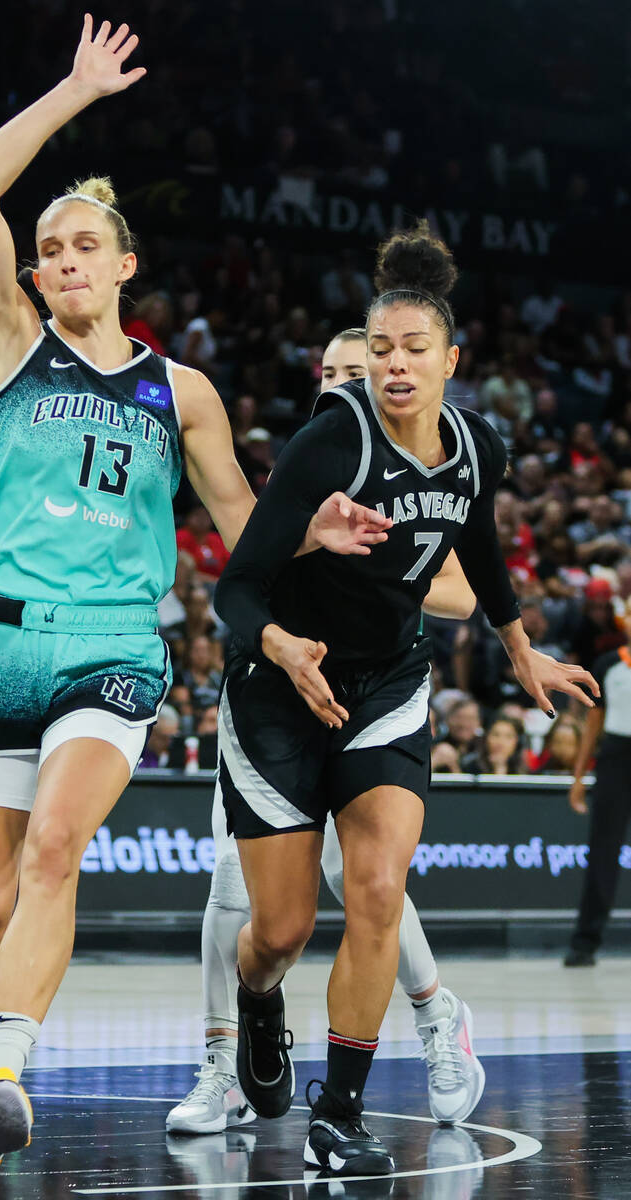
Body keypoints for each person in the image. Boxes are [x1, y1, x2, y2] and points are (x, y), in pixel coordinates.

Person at [0, 15, 389, 1177]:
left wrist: (304, 548)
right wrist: (78, 93)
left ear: (126, 265)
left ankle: (11, 1079)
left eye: (86, 244)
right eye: (51, 248)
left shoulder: (179, 391)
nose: (65, 259)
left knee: (55, 849)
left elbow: (240, 521)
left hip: (110, 647)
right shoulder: (6, 347)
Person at [211, 222, 596, 1176]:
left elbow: (483, 554)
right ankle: (258, 1003)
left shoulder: (477, 448)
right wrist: (280, 643)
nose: (392, 364)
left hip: (384, 685)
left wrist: (520, 650)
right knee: (281, 932)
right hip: (277, 690)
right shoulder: (325, 444)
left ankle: (336, 1116)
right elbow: (235, 586)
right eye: (378, 348)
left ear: (450, 361)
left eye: (413, 349)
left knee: (378, 891)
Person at [168, 327, 485, 1140]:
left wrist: (390, 571)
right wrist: (308, 544)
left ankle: (430, 1015)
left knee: (372, 882)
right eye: (336, 372)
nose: (352, 382)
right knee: (242, 897)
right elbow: (244, 567)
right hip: (271, 692)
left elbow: (461, 592)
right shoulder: (304, 468)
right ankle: (220, 1062)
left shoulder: (412, 476)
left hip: (367, 691)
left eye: (363, 369)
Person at [564, 633, 631, 967]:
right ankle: (585, 941)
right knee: (604, 850)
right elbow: (592, 727)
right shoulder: (608, 665)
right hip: (615, 759)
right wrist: (578, 778)